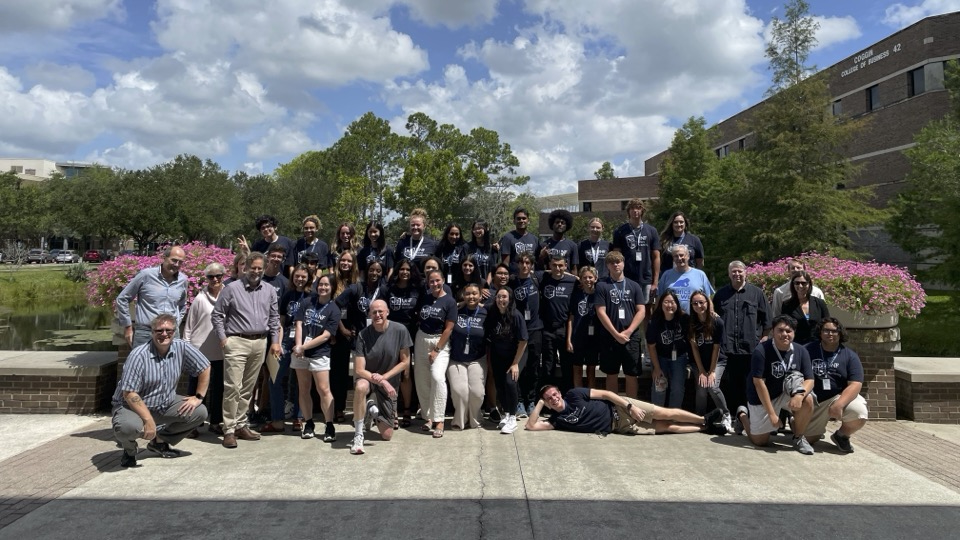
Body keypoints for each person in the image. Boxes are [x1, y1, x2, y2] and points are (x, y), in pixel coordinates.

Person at [113, 314, 210, 467]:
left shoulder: (181, 346)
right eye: (159, 331)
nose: (164, 334)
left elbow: (205, 366)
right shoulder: (139, 355)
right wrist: (148, 420)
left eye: (168, 331)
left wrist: (198, 396)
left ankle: (159, 442)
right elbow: (129, 393)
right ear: (152, 332)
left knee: (200, 412)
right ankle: (130, 451)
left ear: (174, 331)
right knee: (127, 428)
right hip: (131, 407)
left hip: (164, 403)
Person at [211, 252, 282, 449]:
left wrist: (275, 341)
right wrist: (223, 339)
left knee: (248, 388)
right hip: (236, 341)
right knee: (232, 387)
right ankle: (229, 430)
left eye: (260, 268)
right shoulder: (232, 289)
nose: (256, 272)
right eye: (253, 268)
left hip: (260, 342)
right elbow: (217, 315)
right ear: (245, 268)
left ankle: (241, 424)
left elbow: (275, 318)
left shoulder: (269, 290)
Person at [735, 315, 816, 455]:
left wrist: (800, 395)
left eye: (789, 331)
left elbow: (810, 380)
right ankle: (742, 415)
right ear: (773, 331)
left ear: (794, 333)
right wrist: (772, 414)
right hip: (763, 396)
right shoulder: (761, 351)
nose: (785, 334)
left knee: (808, 399)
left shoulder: (801, 351)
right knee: (760, 441)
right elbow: (759, 383)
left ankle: (798, 437)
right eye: (780, 330)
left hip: (786, 393)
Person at [525, 385, 725, 435]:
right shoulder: (556, 421)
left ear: (559, 392)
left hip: (621, 408)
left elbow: (606, 394)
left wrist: (629, 406)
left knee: (664, 412)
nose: (554, 397)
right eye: (550, 398)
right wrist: (540, 403)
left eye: (554, 393)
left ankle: (702, 419)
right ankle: (704, 428)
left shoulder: (574, 394)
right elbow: (531, 426)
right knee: (665, 427)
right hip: (619, 427)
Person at [350, 299, 413, 454]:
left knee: (387, 435)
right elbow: (359, 369)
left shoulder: (400, 330)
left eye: (380, 311)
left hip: (389, 380)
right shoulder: (363, 335)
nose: (377, 315)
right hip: (369, 378)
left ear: (387, 312)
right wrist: (380, 381)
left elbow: (405, 362)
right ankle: (358, 435)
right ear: (369, 314)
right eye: (374, 312)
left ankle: (372, 409)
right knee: (360, 387)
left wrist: (384, 378)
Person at [713, 260, 771, 413]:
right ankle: (735, 415)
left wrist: (764, 338)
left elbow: (767, 320)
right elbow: (714, 320)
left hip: (751, 349)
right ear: (729, 274)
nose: (737, 274)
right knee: (732, 385)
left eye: (740, 271)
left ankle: (752, 415)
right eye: (734, 272)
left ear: (746, 273)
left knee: (751, 384)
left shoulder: (757, 293)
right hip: (728, 349)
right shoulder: (720, 295)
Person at [804, 318, 868, 453]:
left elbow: (856, 384)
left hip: (837, 397)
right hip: (813, 400)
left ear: (840, 333)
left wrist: (839, 404)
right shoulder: (807, 350)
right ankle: (798, 422)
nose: (830, 334)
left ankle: (842, 436)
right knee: (809, 439)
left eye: (834, 331)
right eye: (826, 330)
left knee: (859, 412)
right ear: (820, 333)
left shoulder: (850, 355)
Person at [261, 264, 311, 433]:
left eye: (304, 276)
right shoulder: (287, 295)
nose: (300, 279)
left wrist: (305, 345)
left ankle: (299, 417)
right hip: (286, 342)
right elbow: (281, 323)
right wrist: (279, 344)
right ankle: (277, 420)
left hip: (304, 343)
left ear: (309, 278)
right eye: (297, 276)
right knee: (274, 379)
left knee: (300, 382)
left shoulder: (313, 296)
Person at [292, 274, 341, 442]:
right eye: (321, 284)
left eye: (327, 285)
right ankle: (309, 423)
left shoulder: (334, 309)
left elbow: (326, 335)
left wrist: (304, 347)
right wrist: (298, 345)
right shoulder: (307, 302)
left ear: (332, 288)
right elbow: (298, 323)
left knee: (323, 389)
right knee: (303, 389)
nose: (323, 288)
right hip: (300, 353)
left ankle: (329, 425)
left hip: (319, 353)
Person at [183, 262, 227, 436]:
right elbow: (189, 325)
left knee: (218, 389)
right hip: (198, 351)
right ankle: (191, 423)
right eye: (211, 277)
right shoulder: (200, 299)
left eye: (218, 276)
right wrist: (186, 347)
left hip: (220, 351)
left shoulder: (228, 295)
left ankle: (215, 421)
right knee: (195, 390)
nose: (215, 279)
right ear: (206, 279)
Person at [115, 245, 188, 349]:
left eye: (180, 262)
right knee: (141, 365)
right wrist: (127, 326)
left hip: (171, 334)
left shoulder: (183, 280)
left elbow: (182, 305)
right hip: (146, 333)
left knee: (172, 365)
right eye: (174, 260)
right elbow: (122, 299)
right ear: (164, 258)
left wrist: (175, 323)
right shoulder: (146, 275)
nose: (177, 264)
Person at [594, 251, 645, 399]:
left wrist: (628, 332)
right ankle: (614, 409)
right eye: (612, 262)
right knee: (611, 374)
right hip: (610, 337)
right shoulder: (602, 285)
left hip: (631, 337)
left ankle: (632, 409)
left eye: (618, 261)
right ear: (607, 265)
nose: (615, 264)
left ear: (623, 263)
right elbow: (600, 311)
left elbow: (641, 310)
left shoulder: (634, 285)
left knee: (632, 374)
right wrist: (615, 334)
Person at [414, 269, 457, 437]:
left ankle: (439, 420)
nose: (435, 284)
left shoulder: (450, 301)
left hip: (440, 342)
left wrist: (436, 349)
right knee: (422, 379)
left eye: (437, 281)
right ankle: (428, 417)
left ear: (443, 280)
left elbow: (449, 328)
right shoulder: (424, 297)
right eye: (431, 281)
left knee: (438, 377)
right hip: (421, 338)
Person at [485, 287, 529, 434]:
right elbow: (476, 303)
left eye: (504, 297)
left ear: (510, 299)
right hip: (499, 354)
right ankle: (506, 413)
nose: (501, 300)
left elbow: (523, 341)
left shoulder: (516, 316)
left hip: (516, 355)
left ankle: (512, 417)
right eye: (498, 297)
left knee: (510, 382)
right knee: (500, 384)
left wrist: (515, 363)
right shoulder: (493, 313)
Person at [385, 258, 422, 426]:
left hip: (409, 334)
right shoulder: (388, 289)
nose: (405, 272)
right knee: (392, 373)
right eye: (402, 269)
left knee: (406, 373)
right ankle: (392, 410)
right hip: (390, 333)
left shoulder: (417, 290)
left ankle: (407, 409)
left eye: (408, 269)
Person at [446, 283, 489, 430]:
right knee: (460, 391)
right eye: (468, 294)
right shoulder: (455, 311)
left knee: (477, 392)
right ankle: (460, 420)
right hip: (456, 358)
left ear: (480, 295)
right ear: (463, 296)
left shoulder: (485, 312)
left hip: (477, 359)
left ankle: (475, 418)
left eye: (475, 294)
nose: (471, 296)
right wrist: (460, 303)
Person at [688, 290, 732, 431]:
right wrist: (701, 370)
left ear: (707, 303)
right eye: (695, 303)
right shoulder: (691, 322)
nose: (698, 305)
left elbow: (716, 348)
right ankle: (700, 418)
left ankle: (726, 414)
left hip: (717, 360)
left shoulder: (717, 321)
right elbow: (694, 347)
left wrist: (712, 371)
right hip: (699, 361)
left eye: (701, 302)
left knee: (712, 386)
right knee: (701, 388)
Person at [509, 252, 543, 417]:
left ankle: (531, 401)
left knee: (533, 368)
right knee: (518, 368)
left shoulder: (538, 278)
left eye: (528, 263)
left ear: (532, 265)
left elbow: (557, 273)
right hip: (518, 332)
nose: (524, 266)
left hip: (536, 329)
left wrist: (577, 278)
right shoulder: (512, 281)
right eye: (521, 263)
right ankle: (519, 401)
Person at [539, 254, 578, 392]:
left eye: (561, 265)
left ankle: (567, 397)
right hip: (547, 328)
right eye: (554, 265)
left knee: (567, 365)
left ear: (566, 266)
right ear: (549, 266)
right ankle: (547, 398)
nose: (557, 268)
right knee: (548, 365)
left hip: (565, 328)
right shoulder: (543, 279)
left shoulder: (573, 281)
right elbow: (532, 272)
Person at [647, 290, 691, 409]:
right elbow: (651, 346)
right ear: (660, 304)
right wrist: (656, 368)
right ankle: (657, 417)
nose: (669, 305)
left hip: (679, 357)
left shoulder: (684, 319)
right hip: (660, 357)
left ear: (677, 304)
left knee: (677, 388)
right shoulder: (654, 322)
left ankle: (673, 417)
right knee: (659, 386)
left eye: (672, 302)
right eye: (666, 302)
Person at [611, 198, 659, 305]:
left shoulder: (651, 231)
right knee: (628, 307)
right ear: (628, 211)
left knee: (647, 308)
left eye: (638, 208)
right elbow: (616, 257)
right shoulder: (620, 231)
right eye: (632, 208)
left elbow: (656, 257)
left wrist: (655, 282)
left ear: (642, 211)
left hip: (646, 277)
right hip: (627, 277)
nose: (635, 210)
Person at [329, 250, 359, 422]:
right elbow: (333, 307)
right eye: (343, 260)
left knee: (348, 372)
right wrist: (341, 329)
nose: (346, 263)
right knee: (335, 372)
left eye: (349, 261)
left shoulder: (356, 282)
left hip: (351, 331)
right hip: (336, 331)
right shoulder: (333, 280)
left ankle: (347, 407)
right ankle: (335, 408)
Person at [567, 266, 601, 389]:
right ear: (580, 279)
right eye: (585, 277)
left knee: (591, 370)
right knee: (577, 369)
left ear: (596, 278)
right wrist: (569, 339)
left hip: (594, 338)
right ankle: (579, 397)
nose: (588, 280)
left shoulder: (599, 294)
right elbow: (571, 318)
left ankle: (590, 398)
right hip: (578, 336)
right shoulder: (576, 295)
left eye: (590, 277)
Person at [656, 244, 713, 312]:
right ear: (673, 258)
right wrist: (656, 317)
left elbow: (708, 299)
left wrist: (711, 313)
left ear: (688, 256)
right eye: (676, 256)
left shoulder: (700, 274)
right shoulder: (666, 275)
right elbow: (659, 299)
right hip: (672, 318)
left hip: (695, 317)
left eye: (681, 255)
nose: (679, 258)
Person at [779, 271, 830, 345]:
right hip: (796, 344)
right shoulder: (787, 304)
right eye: (797, 283)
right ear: (793, 284)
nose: (800, 286)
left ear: (809, 284)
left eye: (803, 283)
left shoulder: (819, 303)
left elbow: (827, 323)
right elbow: (785, 326)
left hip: (817, 344)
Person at [500, 207, 539, 274]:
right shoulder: (508, 237)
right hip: (514, 278)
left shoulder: (534, 239)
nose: (521, 221)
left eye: (524, 218)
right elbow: (505, 262)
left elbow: (536, 261)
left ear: (528, 221)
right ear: (514, 221)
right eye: (518, 219)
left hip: (530, 278)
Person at [466, 219, 497, 285]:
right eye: (475, 229)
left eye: (480, 228)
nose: (477, 231)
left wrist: (486, 285)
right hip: (470, 285)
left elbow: (492, 270)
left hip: (487, 286)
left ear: (486, 229)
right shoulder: (467, 247)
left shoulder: (492, 248)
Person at [437, 223, 468, 287]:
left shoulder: (464, 247)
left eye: (457, 234)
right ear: (447, 234)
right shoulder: (440, 247)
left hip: (460, 283)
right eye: (451, 234)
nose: (454, 237)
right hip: (443, 283)